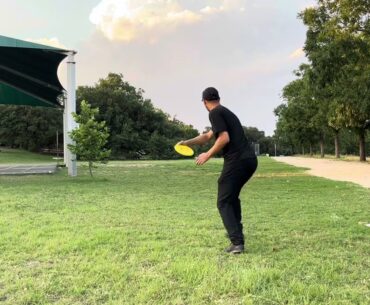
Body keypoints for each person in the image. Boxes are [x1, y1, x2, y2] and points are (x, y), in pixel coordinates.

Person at [179, 87, 258, 254]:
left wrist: (207, 155)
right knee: (231, 197)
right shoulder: (224, 112)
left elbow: (224, 138)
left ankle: (237, 242)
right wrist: (187, 142)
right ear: (218, 98)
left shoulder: (214, 113)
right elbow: (207, 136)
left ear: (204, 102)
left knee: (223, 201)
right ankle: (236, 233)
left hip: (238, 160)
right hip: (249, 160)